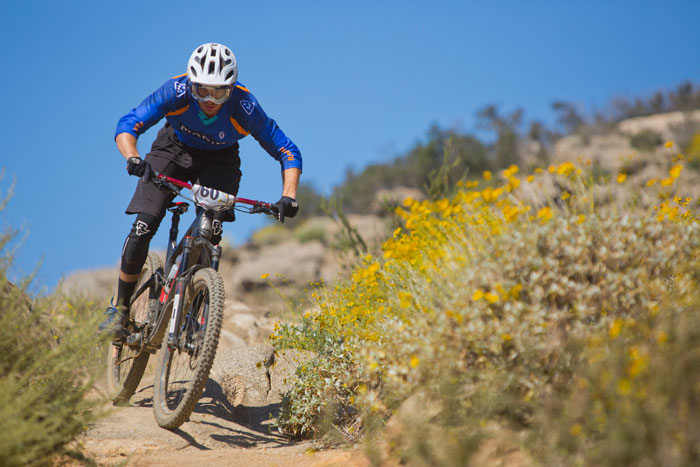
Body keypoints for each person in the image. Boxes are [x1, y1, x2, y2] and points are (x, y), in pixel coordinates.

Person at [99, 42, 301, 338]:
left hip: (219, 160)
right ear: (191, 83)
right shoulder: (176, 91)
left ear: (230, 88)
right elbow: (129, 124)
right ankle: (121, 307)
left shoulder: (245, 107)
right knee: (145, 223)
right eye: (202, 90)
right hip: (171, 149)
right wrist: (133, 158)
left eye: (219, 92)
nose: (209, 98)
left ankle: (194, 314)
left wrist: (289, 196)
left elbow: (287, 150)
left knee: (211, 230)